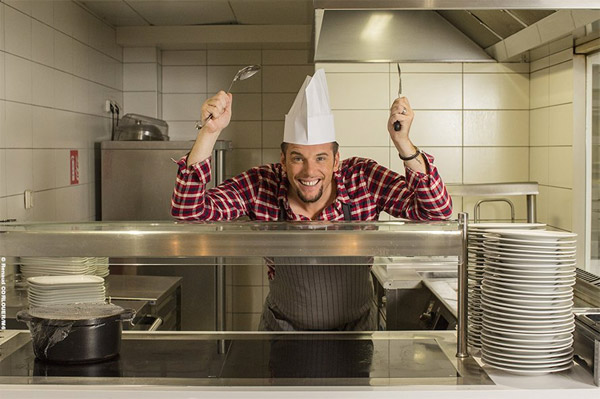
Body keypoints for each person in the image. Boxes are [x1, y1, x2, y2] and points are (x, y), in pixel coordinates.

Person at [171, 69, 452, 331]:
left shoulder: (362, 178)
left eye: (320, 158)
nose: (309, 172)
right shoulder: (262, 184)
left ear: (336, 160)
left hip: (355, 333)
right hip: (281, 332)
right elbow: (189, 212)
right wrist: (209, 133)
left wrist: (403, 142)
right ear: (283, 160)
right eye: (297, 158)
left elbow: (437, 212)